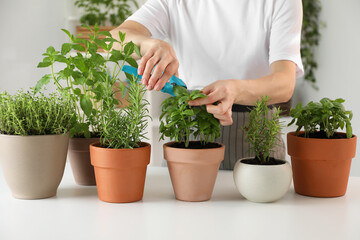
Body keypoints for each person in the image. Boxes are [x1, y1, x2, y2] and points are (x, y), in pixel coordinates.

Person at [110, 0, 304, 170]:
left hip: (257, 135)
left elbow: (284, 83)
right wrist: (148, 45)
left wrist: (235, 91)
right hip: (187, 131)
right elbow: (114, 38)